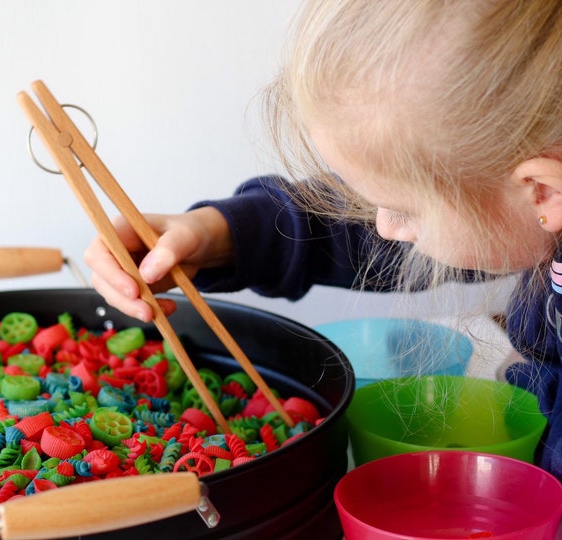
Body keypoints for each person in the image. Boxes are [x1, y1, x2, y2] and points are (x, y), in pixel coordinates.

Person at [85, 0, 562, 478]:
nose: (383, 228)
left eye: (406, 210)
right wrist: (224, 235)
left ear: (542, 191)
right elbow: (357, 233)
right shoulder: (528, 205)